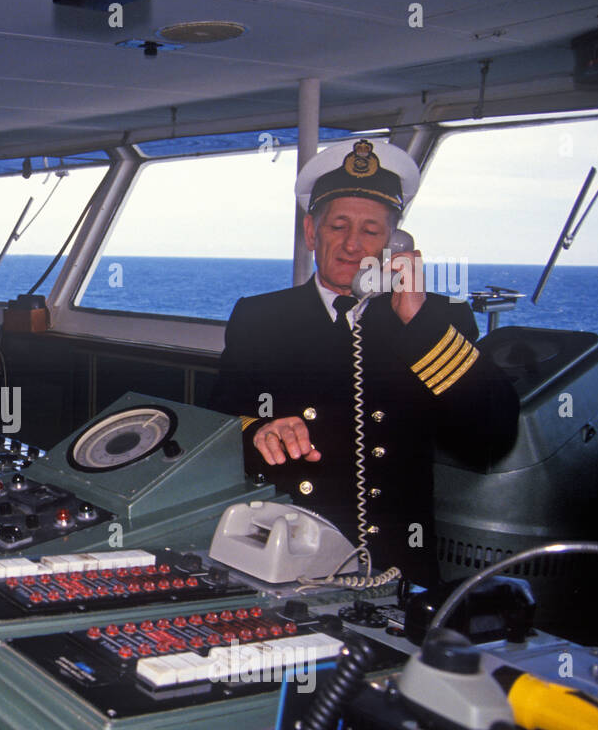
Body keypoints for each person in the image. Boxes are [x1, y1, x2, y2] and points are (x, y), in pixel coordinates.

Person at [206, 139, 518, 586]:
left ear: (395, 244)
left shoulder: (437, 323)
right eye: (339, 226)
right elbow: (214, 425)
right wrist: (259, 431)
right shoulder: (260, 318)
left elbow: (493, 434)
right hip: (285, 557)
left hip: (395, 564)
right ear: (312, 232)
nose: (353, 245)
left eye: (371, 231)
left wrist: (416, 318)